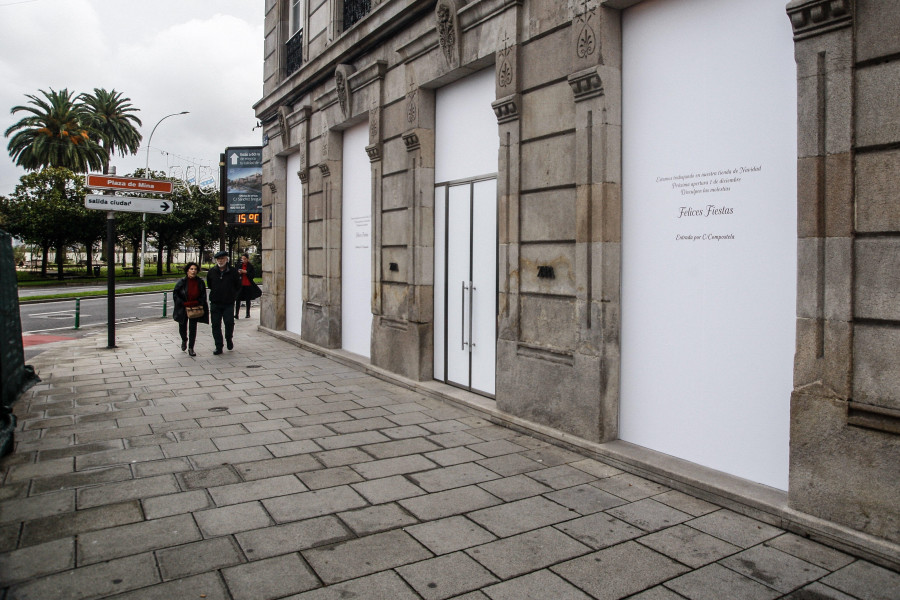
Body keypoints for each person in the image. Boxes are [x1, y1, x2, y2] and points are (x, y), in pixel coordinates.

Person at [207, 250, 242, 355]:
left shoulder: (233, 271)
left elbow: (238, 286)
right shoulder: (212, 271)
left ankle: (229, 338)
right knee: (216, 325)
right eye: (218, 259)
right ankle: (218, 346)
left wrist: (232, 296)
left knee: (229, 323)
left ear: (227, 259)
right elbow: (209, 285)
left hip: (228, 303)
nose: (220, 261)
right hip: (215, 302)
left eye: (222, 259)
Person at [172, 262, 209, 357]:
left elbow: (203, 295)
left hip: (195, 307)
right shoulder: (182, 282)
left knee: (193, 328)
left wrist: (198, 302)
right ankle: (184, 339)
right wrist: (182, 303)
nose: (193, 271)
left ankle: (191, 347)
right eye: (191, 269)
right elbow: (176, 294)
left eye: (195, 269)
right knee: (182, 327)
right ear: (187, 270)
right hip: (183, 308)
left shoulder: (200, 282)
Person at [234, 253, 262, 319]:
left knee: (247, 299)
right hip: (240, 284)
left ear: (247, 259)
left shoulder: (250, 266)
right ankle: (236, 314)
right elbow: (235, 273)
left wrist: (246, 272)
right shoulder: (239, 265)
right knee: (238, 299)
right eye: (242, 259)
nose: (243, 260)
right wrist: (239, 272)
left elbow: (252, 275)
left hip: (248, 284)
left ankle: (247, 313)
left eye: (245, 259)